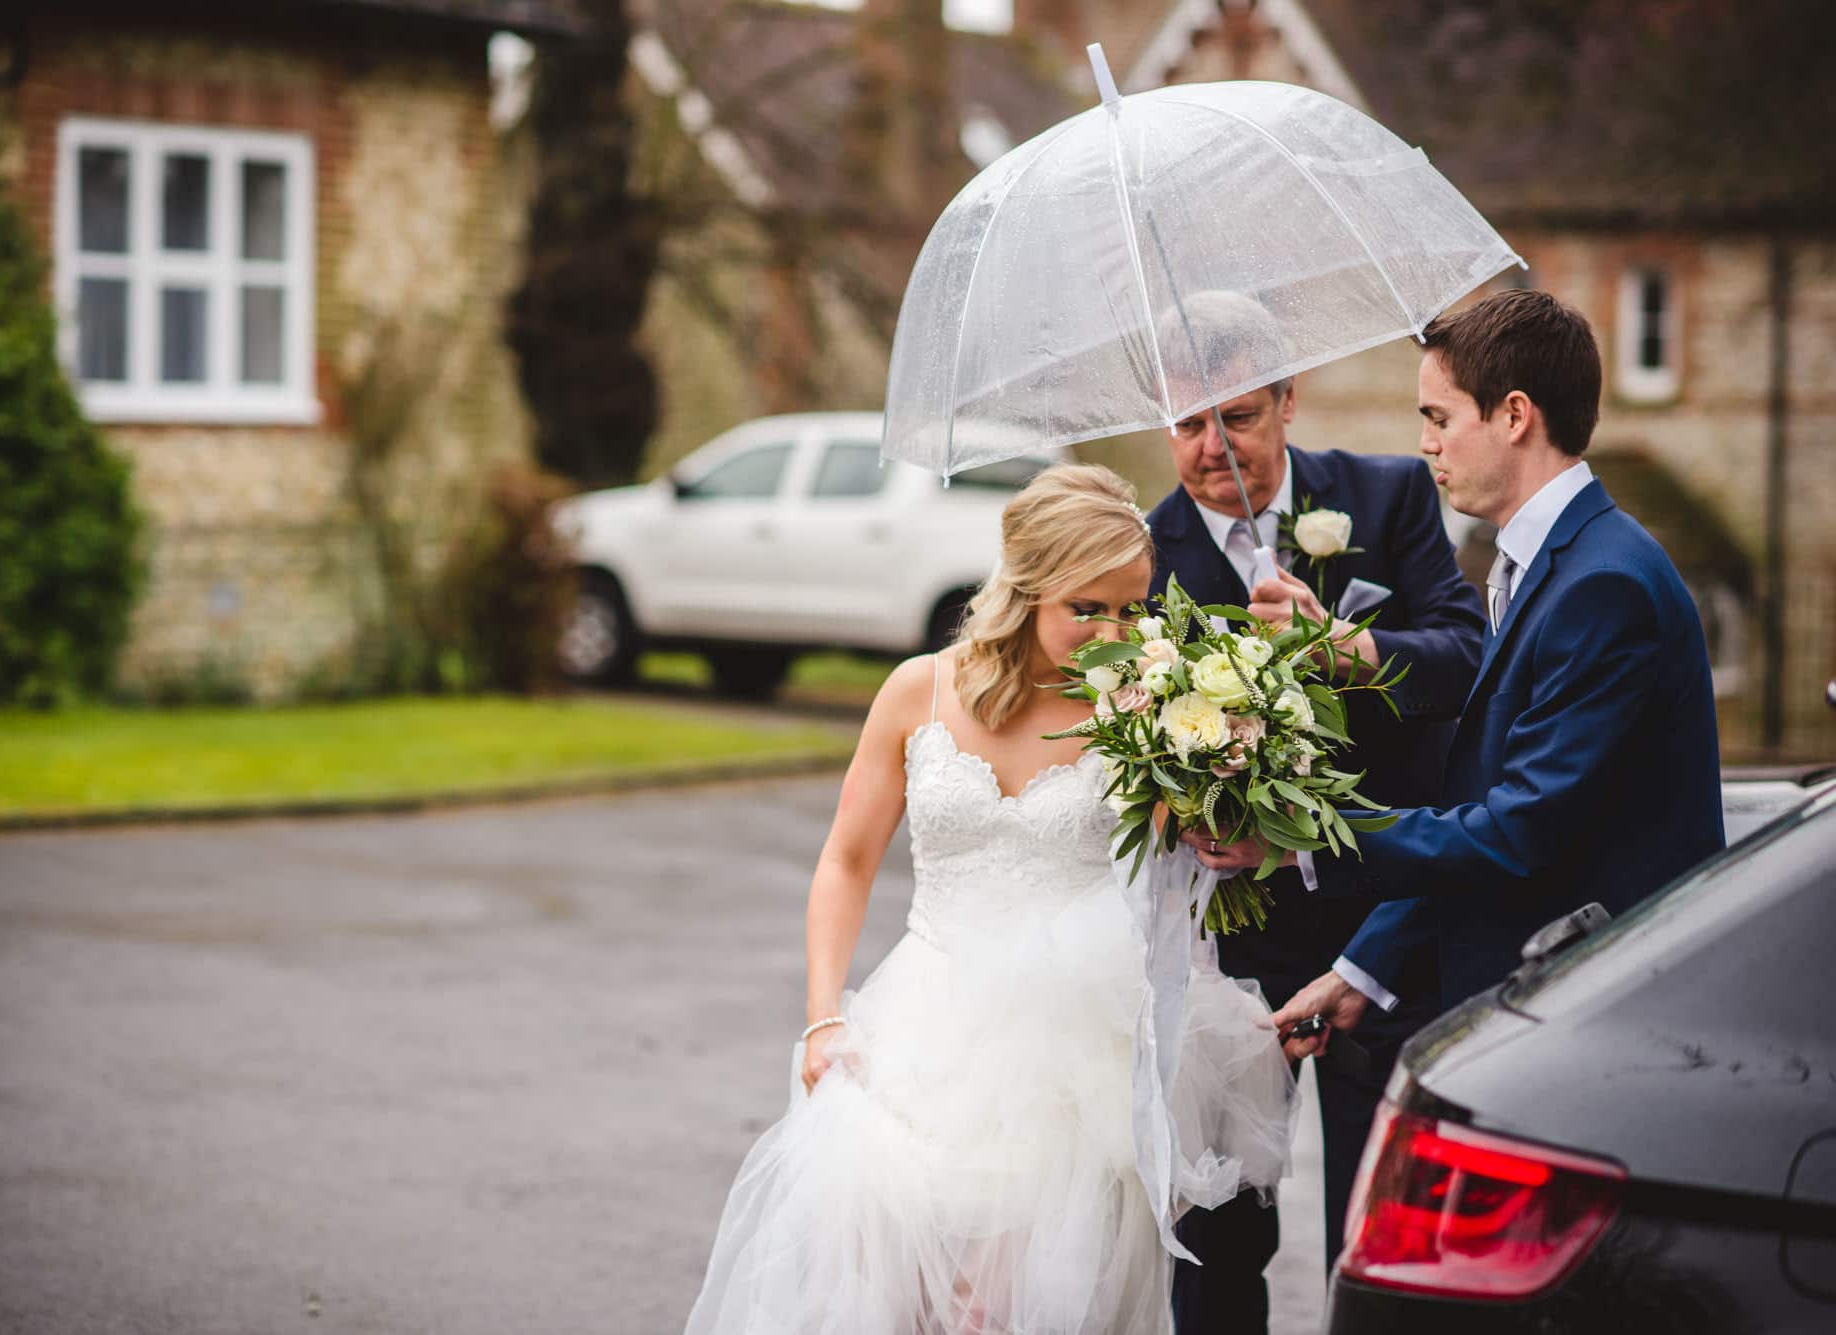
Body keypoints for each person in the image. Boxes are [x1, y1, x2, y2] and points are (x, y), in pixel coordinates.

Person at [683, 464, 1295, 1335]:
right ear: (1025, 589)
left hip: (1074, 1057)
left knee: (997, 1311)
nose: (1114, 632)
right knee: (891, 1299)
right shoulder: (916, 690)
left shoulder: (1147, 714)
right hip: (923, 1030)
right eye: (1088, 607)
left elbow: (1203, 852)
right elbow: (847, 862)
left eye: (1132, 608)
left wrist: (1233, 787)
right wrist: (823, 1018)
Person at [1185, 289, 1724, 1056]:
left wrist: (1296, 841)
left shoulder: (1606, 585)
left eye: (1439, 418)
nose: (1427, 445)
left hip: (1599, 1007)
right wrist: (1360, 971)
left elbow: (1516, 832)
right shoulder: (1545, 564)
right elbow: (1485, 800)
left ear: (1513, 415)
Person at [1142, 292, 1487, 1331]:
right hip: (1228, 939)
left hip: (1376, 922)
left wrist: (1348, 647)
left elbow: (1467, 660)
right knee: (1218, 1231)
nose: (1212, 448)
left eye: (1236, 416)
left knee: (1368, 1223)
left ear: (1288, 401)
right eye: (1188, 423)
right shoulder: (1142, 557)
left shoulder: (1383, 500)